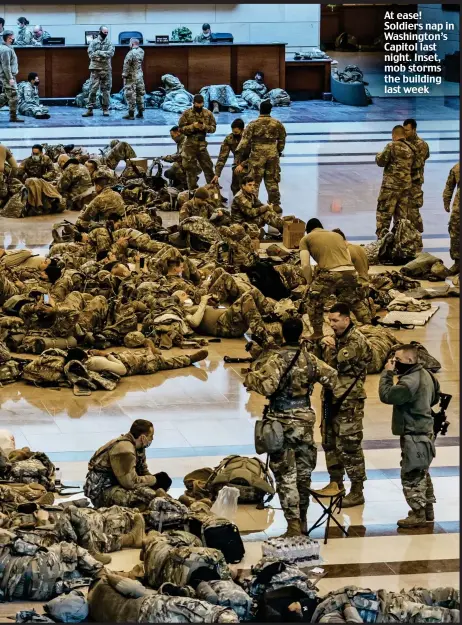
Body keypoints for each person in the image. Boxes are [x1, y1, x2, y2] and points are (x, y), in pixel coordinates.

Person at [244, 317, 338, 537]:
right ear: (300, 334)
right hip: (304, 420)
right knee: (304, 474)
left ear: (283, 335)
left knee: (286, 474)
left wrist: (251, 379)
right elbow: (332, 377)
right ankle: (303, 520)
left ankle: (293, 525)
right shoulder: (310, 358)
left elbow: (268, 386)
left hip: (281, 422)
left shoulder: (276, 359)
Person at [379, 344, 439, 528]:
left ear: (410, 360)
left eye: (398, 359)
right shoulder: (428, 375)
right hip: (426, 428)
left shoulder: (409, 381)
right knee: (422, 470)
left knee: (411, 473)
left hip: (414, 432)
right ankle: (427, 509)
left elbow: (387, 396)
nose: (395, 362)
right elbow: (435, 398)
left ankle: (418, 514)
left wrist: (387, 374)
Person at [321, 303, 371, 507]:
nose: (331, 325)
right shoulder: (339, 338)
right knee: (330, 441)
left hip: (349, 400)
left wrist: (330, 348)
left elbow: (334, 366)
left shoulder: (355, 341)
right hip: (333, 396)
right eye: (329, 321)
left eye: (335, 320)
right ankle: (336, 483)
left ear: (346, 319)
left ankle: (357, 490)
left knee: (350, 445)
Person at [299, 219, 371, 339]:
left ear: (308, 230)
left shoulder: (306, 239)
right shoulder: (337, 236)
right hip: (349, 271)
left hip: (330, 272)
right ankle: (369, 325)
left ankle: (317, 333)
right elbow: (347, 255)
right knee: (353, 301)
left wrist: (309, 281)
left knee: (313, 302)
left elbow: (305, 265)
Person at [84, 419, 173, 509]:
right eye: (151, 436)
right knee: (148, 496)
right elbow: (130, 483)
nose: (152, 439)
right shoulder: (124, 451)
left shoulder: (138, 447)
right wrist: (154, 480)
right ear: (143, 437)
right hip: (102, 492)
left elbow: (142, 471)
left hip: (117, 484)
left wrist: (156, 483)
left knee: (160, 483)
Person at [235, 100, 286, 212]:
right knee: (272, 181)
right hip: (272, 155)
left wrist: (238, 157)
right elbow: (282, 140)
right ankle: (275, 205)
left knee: (254, 182)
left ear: (260, 110)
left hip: (257, 156)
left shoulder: (253, 124)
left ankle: (253, 204)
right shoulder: (277, 124)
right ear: (270, 110)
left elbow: (244, 142)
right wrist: (277, 151)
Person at [375, 125, 415, 237]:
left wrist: (377, 155)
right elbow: (416, 166)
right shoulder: (411, 148)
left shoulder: (391, 146)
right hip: (405, 188)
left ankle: (382, 244)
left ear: (394, 135)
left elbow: (381, 161)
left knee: (384, 216)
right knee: (401, 219)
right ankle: (401, 245)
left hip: (390, 188)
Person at [178, 94, 216, 191]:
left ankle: (214, 191)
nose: (199, 106)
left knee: (208, 167)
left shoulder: (208, 114)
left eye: (201, 104)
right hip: (189, 145)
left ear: (203, 103)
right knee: (191, 170)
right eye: (197, 104)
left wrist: (205, 127)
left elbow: (213, 128)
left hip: (202, 145)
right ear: (193, 103)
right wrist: (192, 127)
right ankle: (192, 191)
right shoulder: (186, 113)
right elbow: (181, 129)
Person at [403, 118, 430, 233]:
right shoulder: (403, 142)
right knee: (404, 209)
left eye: (408, 130)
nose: (405, 133)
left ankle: (418, 231)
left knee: (413, 209)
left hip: (415, 181)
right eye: (404, 130)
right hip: (404, 181)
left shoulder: (421, 145)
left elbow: (417, 163)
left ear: (414, 130)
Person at [82, 26, 115, 118]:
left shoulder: (109, 43)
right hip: (95, 70)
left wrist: (99, 52)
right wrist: (103, 55)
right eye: (104, 32)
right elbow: (91, 55)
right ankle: (89, 109)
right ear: (100, 32)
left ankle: (105, 109)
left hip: (106, 69)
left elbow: (111, 54)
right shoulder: (93, 42)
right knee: (92, 90)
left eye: (107, 32)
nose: (106, 34)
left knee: (106, 90)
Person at [212, 118, 249, 195]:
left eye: (236, 132)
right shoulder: (230, 139)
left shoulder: (250, 138)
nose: (234, 133)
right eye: (232, 131)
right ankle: (238, 202)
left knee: (248, 186)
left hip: (251, 163)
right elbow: (222, 157)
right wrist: (217, 174)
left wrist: (243, 164)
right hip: (237, 165)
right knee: (235, 187)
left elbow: (256, 155)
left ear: (242, 130)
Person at [0, 30, 23, 122]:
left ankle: (13, 116)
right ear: (9, 38)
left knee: (6, 96)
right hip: (7, 77)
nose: (14, 38)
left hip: (8, 76)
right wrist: (10, 78)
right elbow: (6, 66)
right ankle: (13, 117)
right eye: (12, 37)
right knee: (14, 96)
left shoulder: (7, 47)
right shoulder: (5, 50)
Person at [122, 38, 145, 120]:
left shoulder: (130, 53)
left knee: (130, 95)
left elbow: (126, 66)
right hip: (139, 75)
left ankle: (131, 114)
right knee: (140, 94)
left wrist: (124, 76)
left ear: (132, 44)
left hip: (131, 76)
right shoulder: (141, 51)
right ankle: (140, 112)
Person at [443, 162, 460, 275]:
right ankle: (458, 262)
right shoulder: (457, 167)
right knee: (455, 232)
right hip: (459, 207)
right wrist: (446, 201)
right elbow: (449, 186)